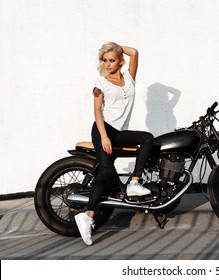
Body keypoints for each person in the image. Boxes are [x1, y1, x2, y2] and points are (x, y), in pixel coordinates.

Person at [75, 42, 154, 246]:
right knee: (106, 172)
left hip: (119, 133)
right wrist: (103, 137)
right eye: (105, 60)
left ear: (120, 61)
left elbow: (135, 52)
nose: (108, 64)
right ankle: (88, 216)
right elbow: (97, 112)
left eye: (112, 60)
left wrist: (116, 46)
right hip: (103, 130)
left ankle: (134, 183)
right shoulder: (100, 83)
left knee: (147, 138)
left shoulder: (129, 78)